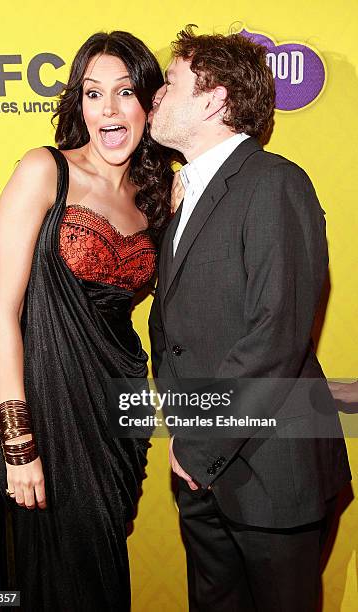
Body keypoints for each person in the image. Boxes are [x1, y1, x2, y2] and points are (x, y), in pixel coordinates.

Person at [148, 26, 352, 611]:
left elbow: (275, 336)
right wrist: (187, 438)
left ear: (213, 99)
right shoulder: (186, 192)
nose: (155, 96)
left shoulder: (275, 183)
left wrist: (197, 444)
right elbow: (175, 334)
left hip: (270, 471)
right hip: (201, 466)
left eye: (171, 82)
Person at [0, 31, 174, 611]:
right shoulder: (45, 171)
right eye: (93, 94)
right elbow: (1, 313)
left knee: (100, 565)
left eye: (123, 93)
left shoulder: (160, 194)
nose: (109, 110)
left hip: (115, 401)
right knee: (54, 570)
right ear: (79, 105)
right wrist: (19, 441)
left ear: (149, 102)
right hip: (40, 402)